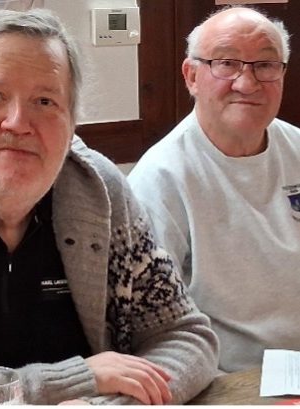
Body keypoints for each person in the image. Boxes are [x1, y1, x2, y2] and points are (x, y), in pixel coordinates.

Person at [0, 8, 218, 405]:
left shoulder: (100, 192)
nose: (17, 122)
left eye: (45, 101)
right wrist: (70, 381)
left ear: (71, 123)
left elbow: (183, 336)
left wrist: (102, 406)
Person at [128, 5, 300, 373]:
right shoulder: (160, 179)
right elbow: (150, 329)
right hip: (227, 379)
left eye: (265, 65)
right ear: (191, 76)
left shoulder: (297, 148)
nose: (247, 83)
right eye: (226, 63)